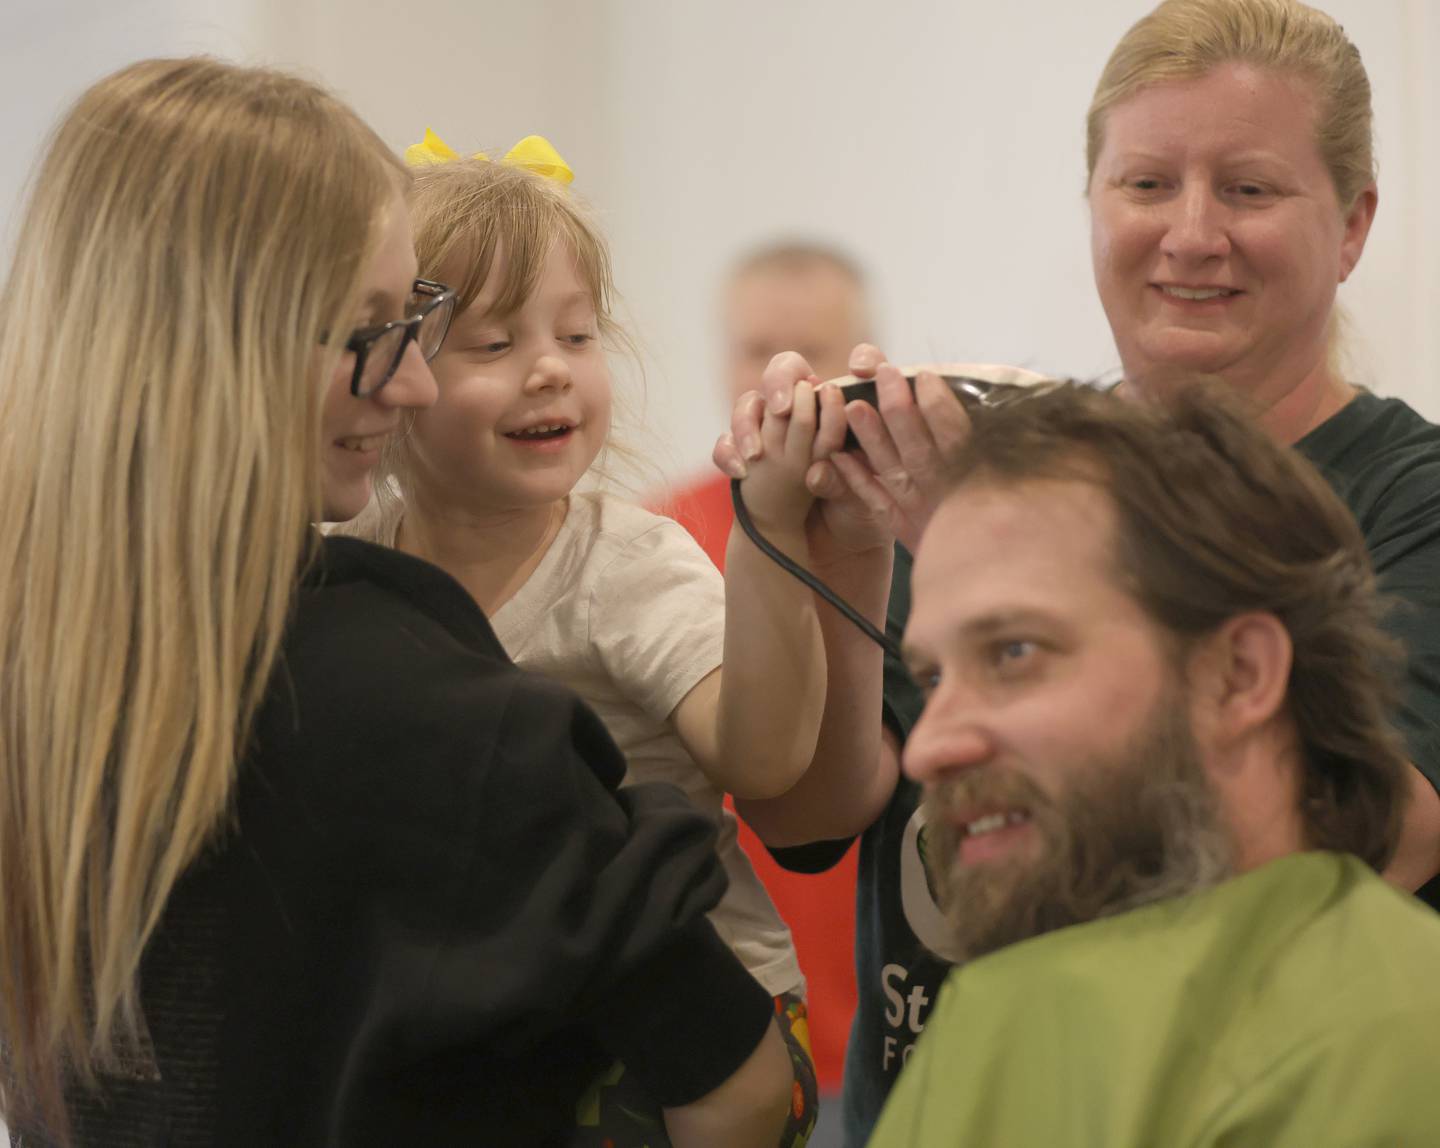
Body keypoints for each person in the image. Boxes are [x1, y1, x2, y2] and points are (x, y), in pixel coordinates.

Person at [0, 59, 793, 1147]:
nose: (412, 381)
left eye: (415, 320)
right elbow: (742, 1087)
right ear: (229, 345)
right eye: (372, 328)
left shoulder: (36, 678)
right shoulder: (428, 705)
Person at [717, 0, 1440, 1142]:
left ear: (1352, 225)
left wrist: (990, 538)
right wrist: (843, 554)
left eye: (1248, 189)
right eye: (1147, 185)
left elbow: (1374, 833)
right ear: (1093, 203)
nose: (1192, 234)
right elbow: (816, 814)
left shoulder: (1412, 496)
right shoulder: (1003, 459)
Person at [334, 143, 886, 1145]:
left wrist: (766, 532)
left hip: (692, 1027)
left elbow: (761, 756)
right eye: (493, 344)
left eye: (577, 334)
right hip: (491, 1020)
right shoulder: (352, 564)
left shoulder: (625, 564)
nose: (550, 367)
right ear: (400, 369)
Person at [869, 381, 1440, 1144]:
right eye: (933, 678)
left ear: (1237, 675)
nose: (929, 748)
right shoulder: (993, 1013)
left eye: (1014, 652)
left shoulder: (1388, 1036)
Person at [657, 241, 874, 1103]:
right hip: (719, 1043)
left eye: (814, 353)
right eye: (756, 350)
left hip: (883, 1034)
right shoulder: (658, 546)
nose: (783, 380)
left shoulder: (931, 540)